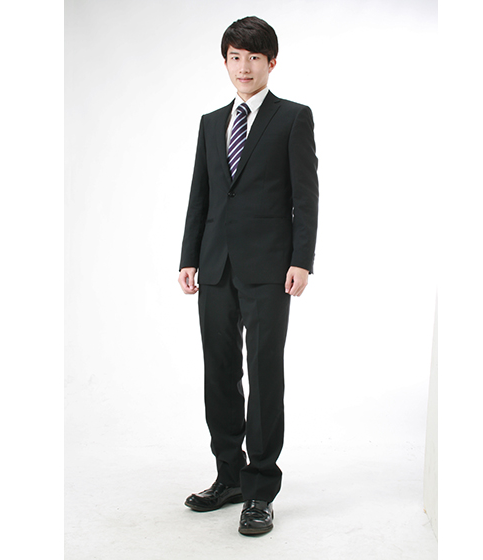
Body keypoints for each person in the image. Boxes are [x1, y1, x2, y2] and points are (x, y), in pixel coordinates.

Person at [178, 15, 319, 536]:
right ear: (225, 62)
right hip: (215, 265)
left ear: (271, 63)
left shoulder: (293, 118)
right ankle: (229, 476)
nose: (244, 67)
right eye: (235, 57)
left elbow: (306, 196)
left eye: (254, 58)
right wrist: (188, 257)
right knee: (219, 372)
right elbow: (201, 194)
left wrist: (302, 260)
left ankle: (260, 491)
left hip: (269, 269)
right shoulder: (211, 122)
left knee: (263, 374)